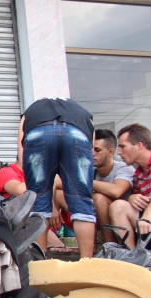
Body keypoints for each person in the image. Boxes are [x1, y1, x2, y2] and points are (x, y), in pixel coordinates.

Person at [21, 98, 96, 259]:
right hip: (78, 133)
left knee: (39, 203)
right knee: (82, 202)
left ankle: (41, 264)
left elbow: (21, 145)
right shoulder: (81, 111)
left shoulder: (32, 111)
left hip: (37, 134)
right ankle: (87, 263)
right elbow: (91, 142)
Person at [53, 129, 135, 243]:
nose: (91, 153)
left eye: (97, 150)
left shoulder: (123, 168)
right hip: (98, 218)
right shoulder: (91, 170)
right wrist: (53, 208)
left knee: (98, 198)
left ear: (110, 152)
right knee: (60, 194)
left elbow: (117, 191)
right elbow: (57, 183)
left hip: (122, 221)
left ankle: (110, 246)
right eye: (90, 148)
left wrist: (82, 181)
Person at [109, 123, 151, 248]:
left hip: (150, 219)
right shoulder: (137, 174)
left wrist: (148, 214)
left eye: (123, 147)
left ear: (139, 146)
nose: (119, 153)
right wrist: (132, 198)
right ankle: (132, 258)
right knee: (118, 206)